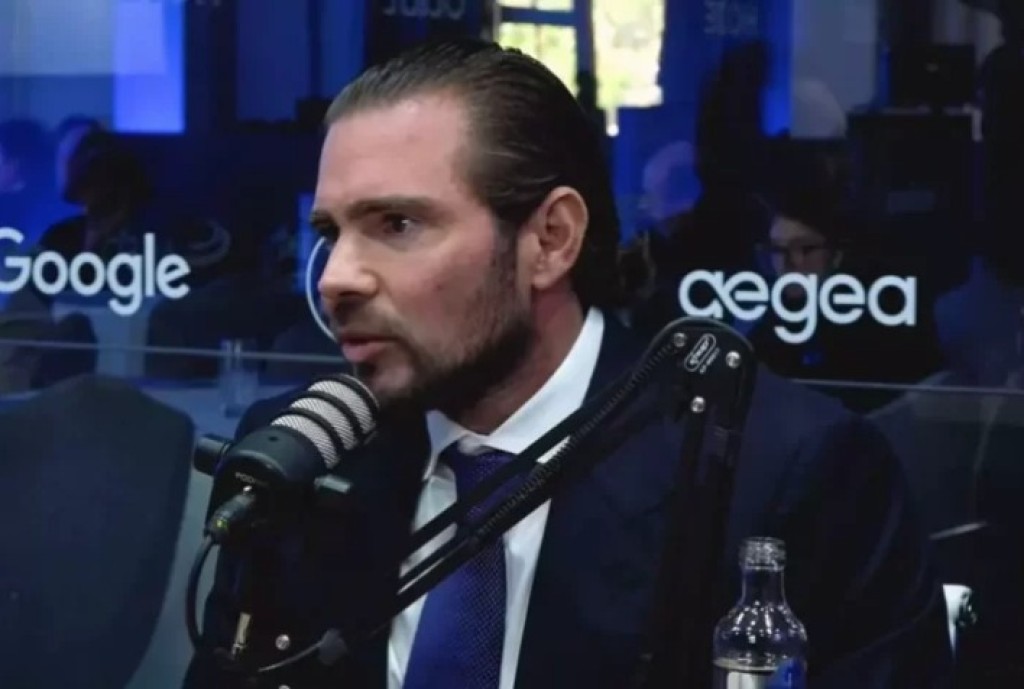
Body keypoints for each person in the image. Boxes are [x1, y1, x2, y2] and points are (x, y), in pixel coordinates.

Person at [185, 39, 950, 689]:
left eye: (397, 223)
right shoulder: (299, 455)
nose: (336, 277)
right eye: (330, 231)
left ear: (550, 239)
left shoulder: (781, 470)